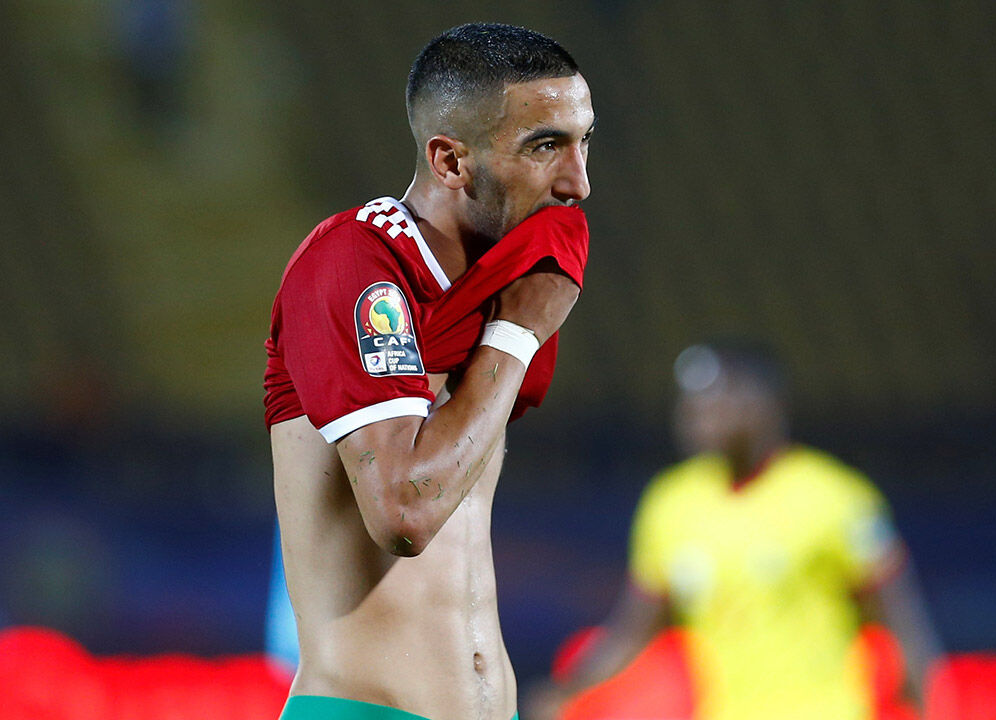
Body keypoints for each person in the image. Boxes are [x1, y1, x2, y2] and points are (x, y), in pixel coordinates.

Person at [262, 23, 594, 720]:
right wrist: (516, 333)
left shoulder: (489, 286)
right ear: (449, 161)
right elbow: (404, 513)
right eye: (544, 147)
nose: (578, 183)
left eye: (583, 141)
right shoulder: (353, 263)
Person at [529, 342, 941, 720]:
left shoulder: (833, 497)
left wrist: (925, 702)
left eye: (720, 398)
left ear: (765, 403)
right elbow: (632, 633)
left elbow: (901, 620)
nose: (699, 413)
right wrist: (566, 692)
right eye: (691, 402)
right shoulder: (671, 504)